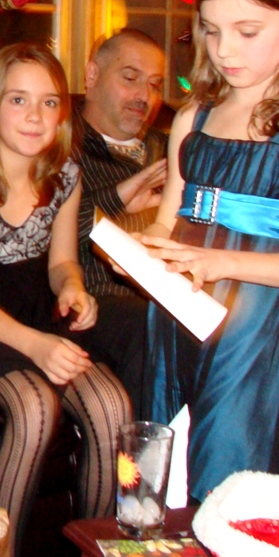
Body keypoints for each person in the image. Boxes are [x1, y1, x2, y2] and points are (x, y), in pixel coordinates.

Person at [0, 43, 131, 557]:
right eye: (18, 100)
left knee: (112, 406)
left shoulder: (64, 176)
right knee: (35, 407)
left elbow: (61, 261)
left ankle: (91, 554)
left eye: (49, 102)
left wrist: (73, 288)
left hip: (38, 312)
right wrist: (37, 346)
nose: (35, 116)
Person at [142, 0, 279, 502]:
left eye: (247, 32)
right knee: (164, 468)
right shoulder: (195, 117)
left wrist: (219, 262)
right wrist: (145, 252)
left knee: (228, 474)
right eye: (211, 29)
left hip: (258, 329)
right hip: (180, 314)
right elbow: (166, 219)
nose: (225, 50)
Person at [73, 29, 168, 415]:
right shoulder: (57, 143)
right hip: (95, 300)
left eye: (155, 85)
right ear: (92, 76)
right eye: (130, 78)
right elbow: (37, 228)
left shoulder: (171, 148)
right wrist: (117, 200)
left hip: (175, 294)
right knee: (150, 326)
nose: (145, 96)